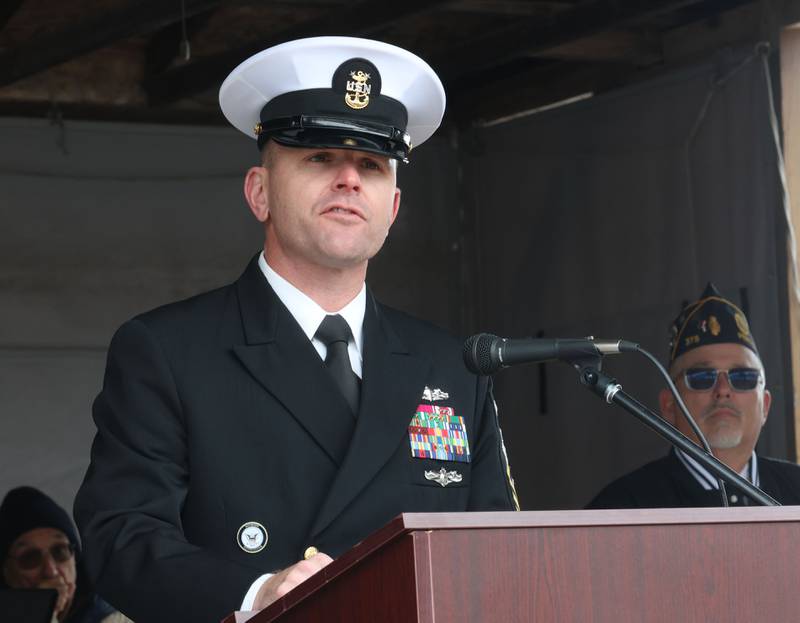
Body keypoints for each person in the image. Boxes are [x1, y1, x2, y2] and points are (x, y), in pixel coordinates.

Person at [74, 36, 518, 623]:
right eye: (319, 158)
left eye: (371, 165)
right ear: (259, 192)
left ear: (392, 207)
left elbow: (500, 550)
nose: (349, 180)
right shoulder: (168, 351)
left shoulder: (453, 365)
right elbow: (120, 536)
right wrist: (256, 594)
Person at [587, 282, 800, 509]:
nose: (723, 390)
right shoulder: (622, 506)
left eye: (743, 377)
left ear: (765, 405)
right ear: (669, 405)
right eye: (701, 377)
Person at [0, 487, 129, 623]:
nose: (51, 571)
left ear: (75, 560)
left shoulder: (117, 612)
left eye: (60, 552)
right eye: (30, 558)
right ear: (7, 573)